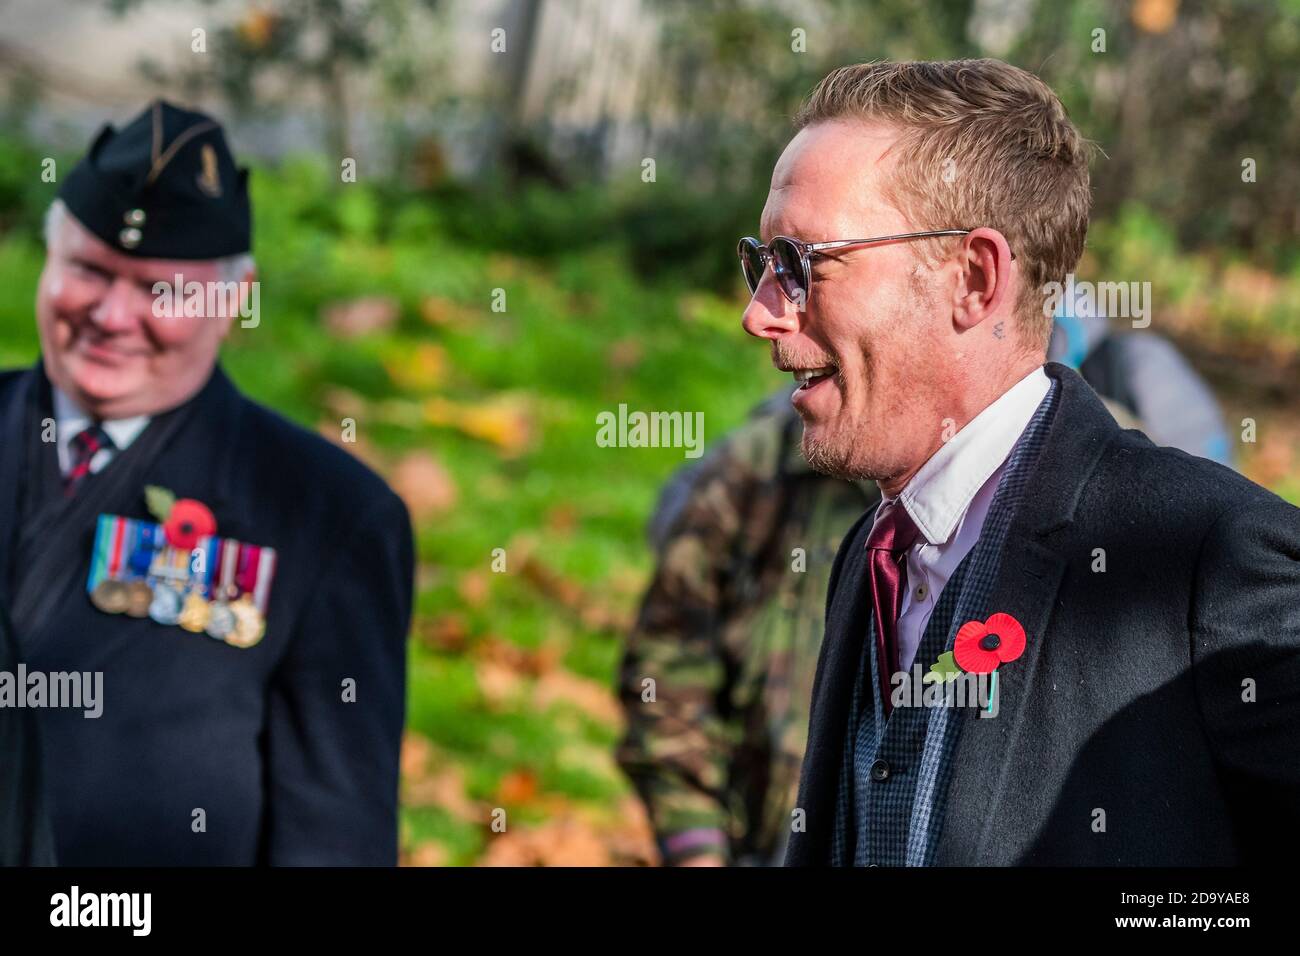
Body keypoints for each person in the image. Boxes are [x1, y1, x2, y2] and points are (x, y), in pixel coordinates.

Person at [735, 60, 1300, 866]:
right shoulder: (871, 554)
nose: (760, 313)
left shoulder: (1214, 555)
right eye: (761, 262)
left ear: (974, 279)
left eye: (803, 265)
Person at [0, 101, 413, 865]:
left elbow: (335, 832)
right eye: (89, 270)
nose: (113, 315)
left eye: (162, 292)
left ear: (234, 301)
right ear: (48, 258)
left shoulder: (329, 516)